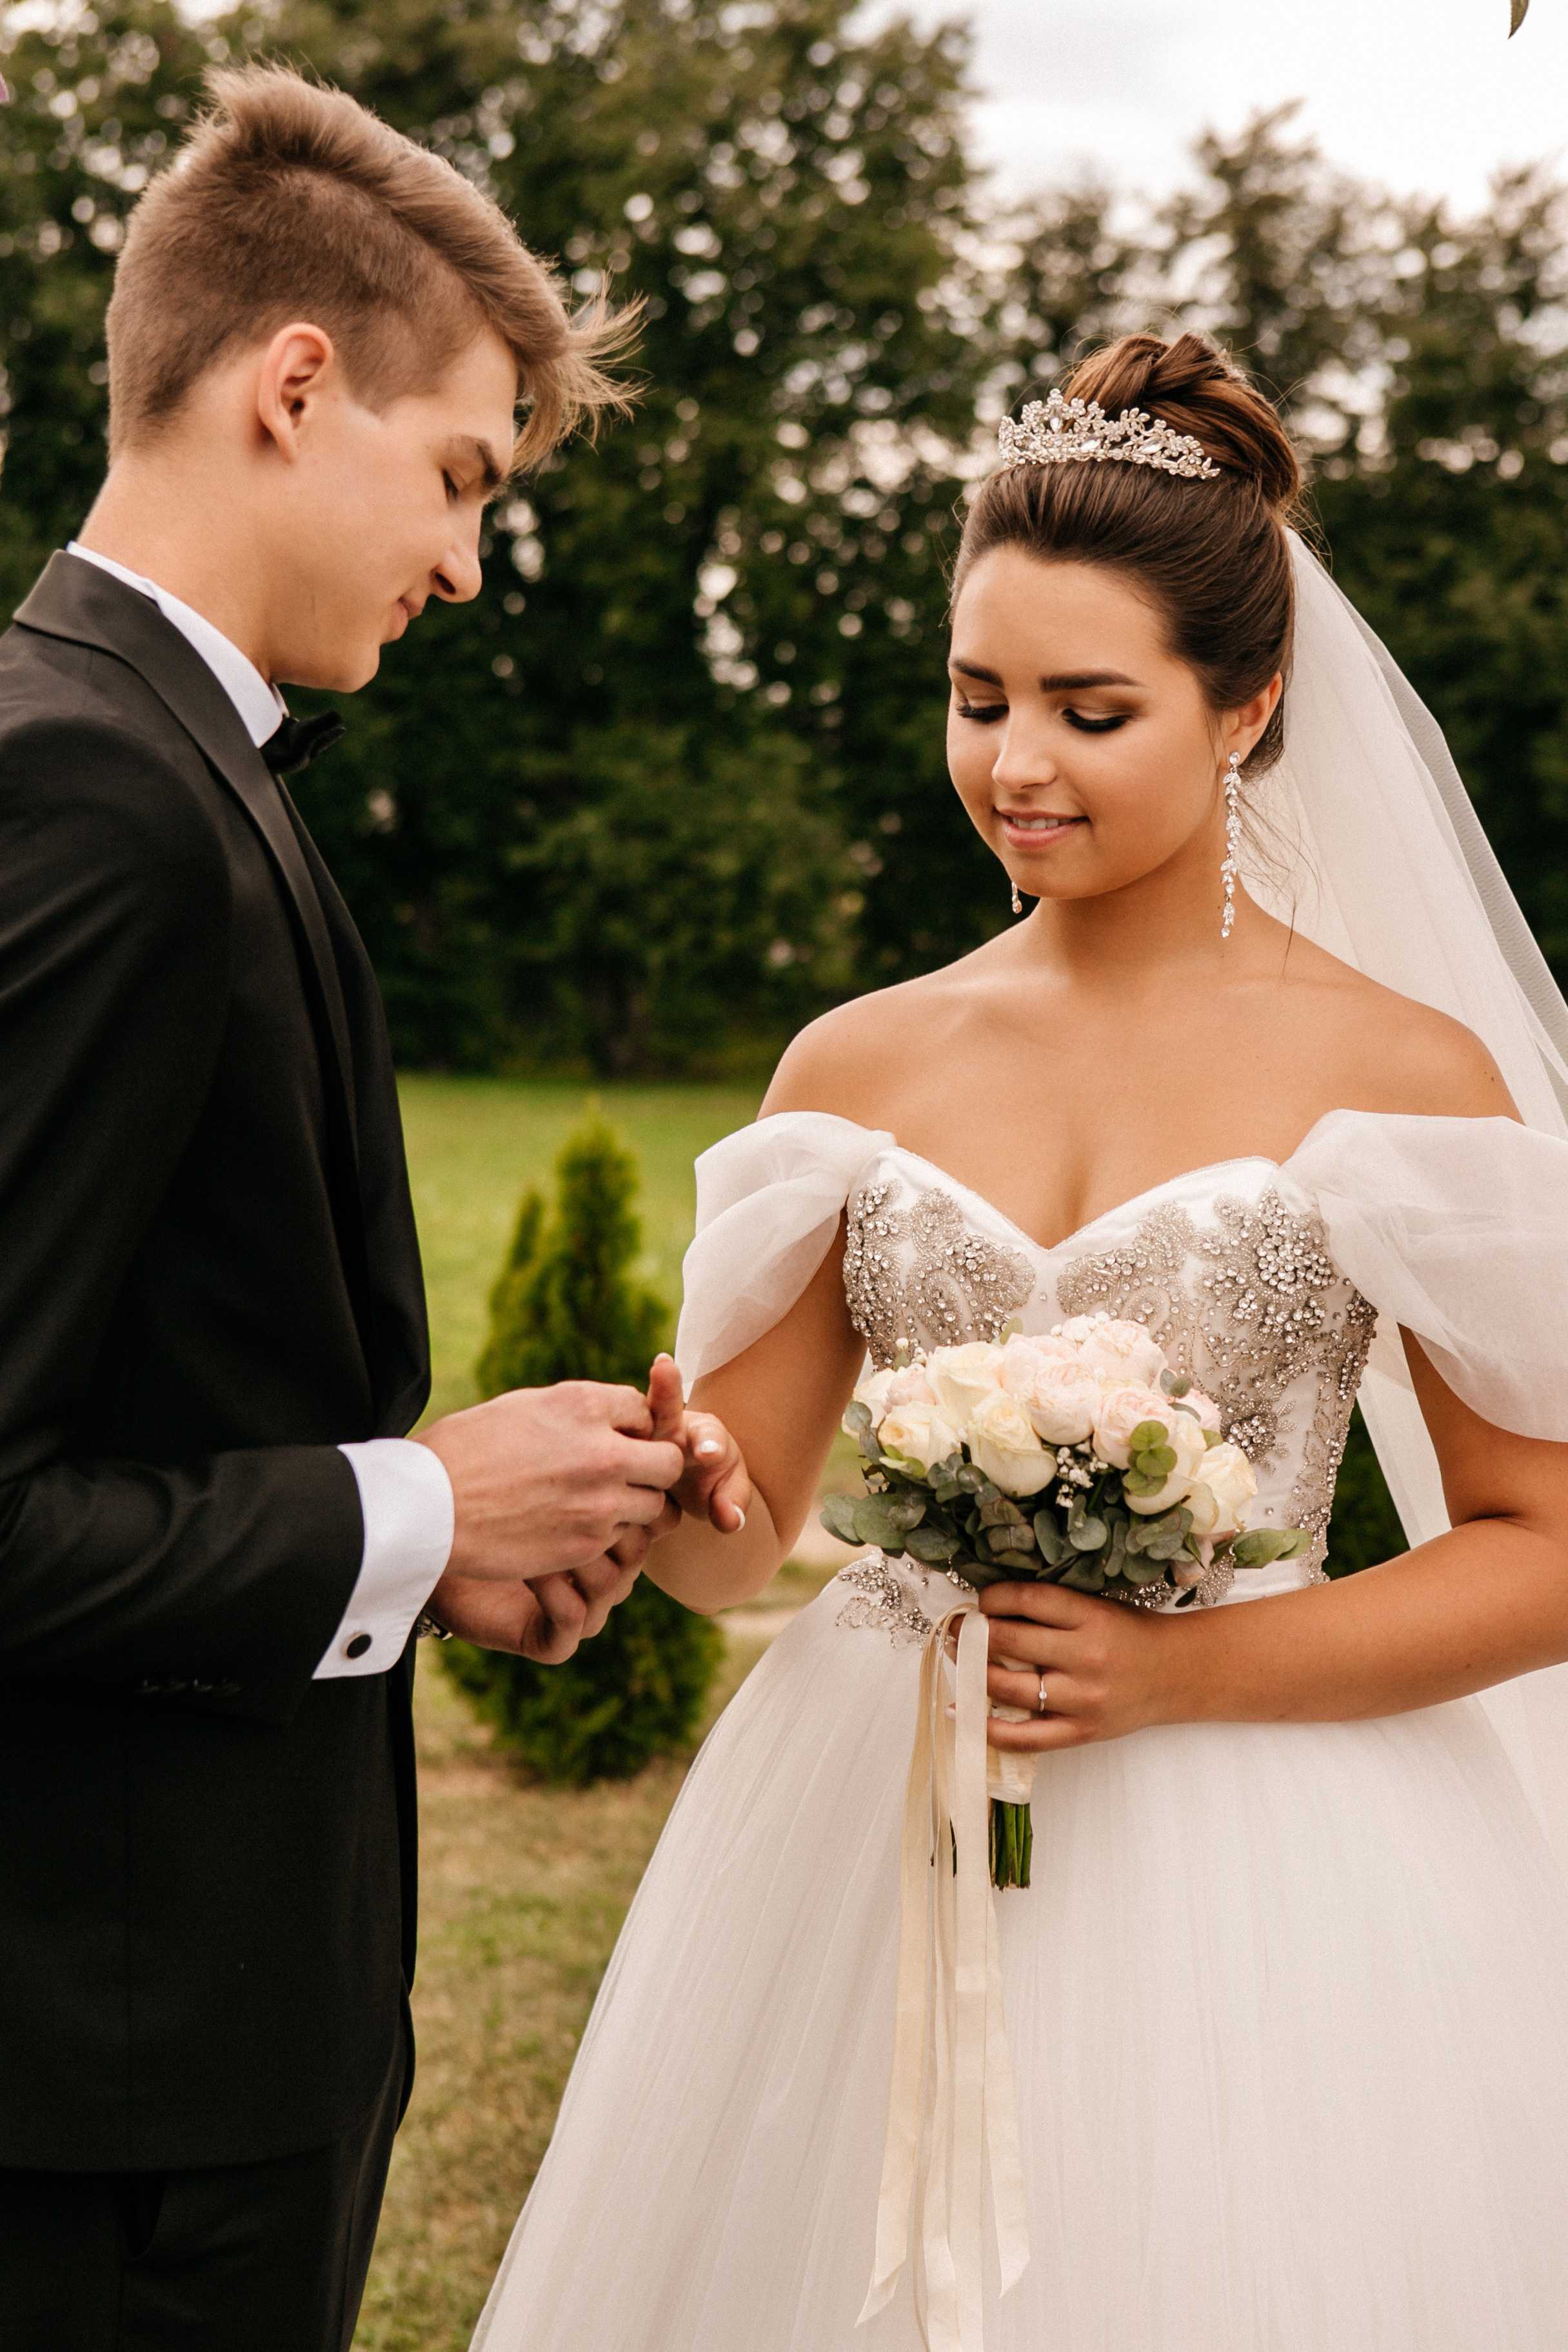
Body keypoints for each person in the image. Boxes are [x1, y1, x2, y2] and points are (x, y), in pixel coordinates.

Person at [471, 332, 1568, 2352]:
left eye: (1091, 708)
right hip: (875, 1808)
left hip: (1274, 1844)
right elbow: (742, 1541)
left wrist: (1188, 1667)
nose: (1016, 765)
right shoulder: (859, 1060)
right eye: (977, 698)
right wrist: (671, 1491)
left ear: (1244, 709)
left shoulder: (1405, 1075)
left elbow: (1548, 1548)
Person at [0, 63, 742, 2352]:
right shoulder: (97, 799)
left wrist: (463, 1540)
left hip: (185, 2055)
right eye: (461, 479)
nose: (460, 561)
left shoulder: (155, 754)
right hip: (107, 2126)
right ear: (291, 384)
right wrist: (412, 1508)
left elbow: (165, 1390)